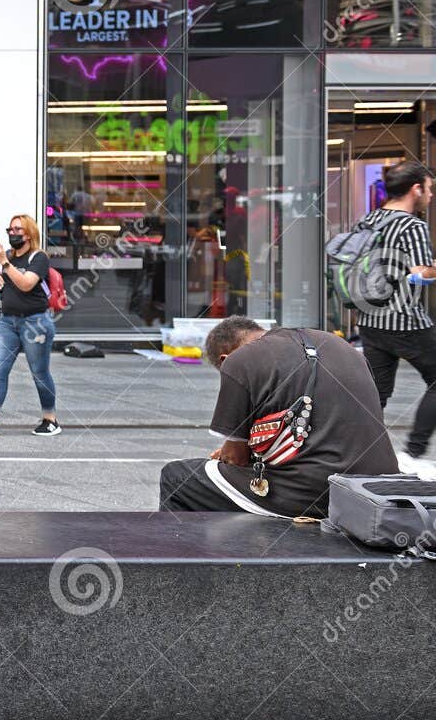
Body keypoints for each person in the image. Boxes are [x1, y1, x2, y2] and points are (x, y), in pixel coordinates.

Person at [159, 317, 396, 517]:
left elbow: (236, 458)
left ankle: (186, 565)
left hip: (316, 494)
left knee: (177, 477)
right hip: (376, 487)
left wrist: (232, 450)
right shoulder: (341, 345)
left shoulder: (239, 360)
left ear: (225, 359)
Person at [350, 160, 436, 473]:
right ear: (416, 189)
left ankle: (359, 454)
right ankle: (413, 453)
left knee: (377, 393)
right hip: (405, 321)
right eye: (430, 189)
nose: (431, 195)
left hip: (371, 320)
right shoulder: (412, 226)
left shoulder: (369, 219)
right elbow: (419, 274)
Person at [0, 214, 61, 436]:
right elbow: (4, 275)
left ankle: (50, 419)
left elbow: (26, 284)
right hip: (8, 322)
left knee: (39, 372)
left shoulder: (39, 258)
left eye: (17, 229)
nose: (12, 233)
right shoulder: (8, 256)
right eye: (10, 229)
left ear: (29, 234)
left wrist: (4, 264)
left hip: (35, 322)